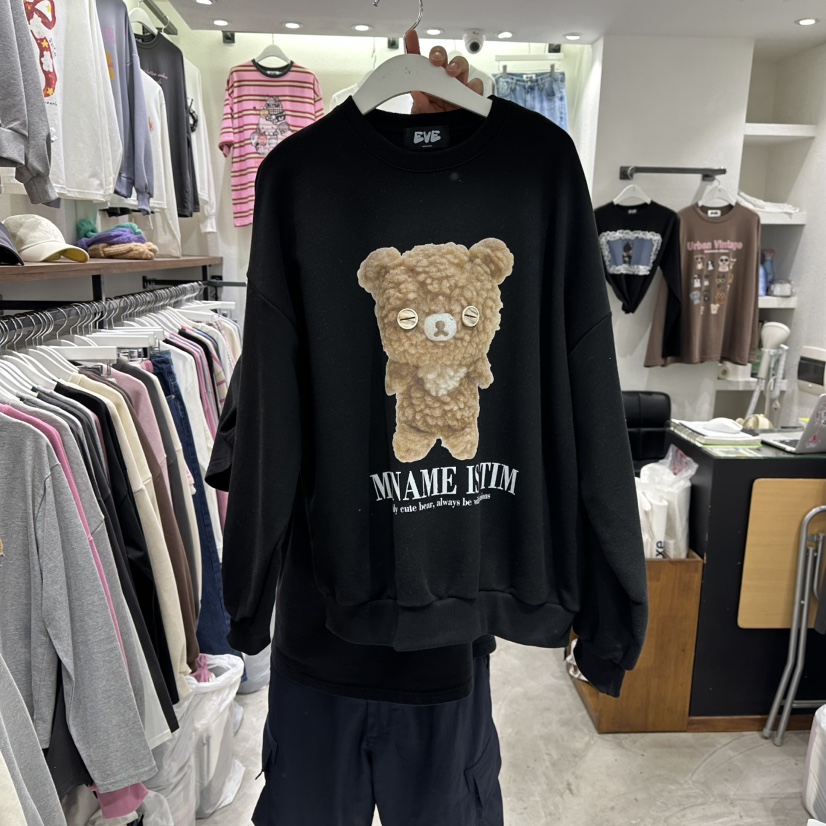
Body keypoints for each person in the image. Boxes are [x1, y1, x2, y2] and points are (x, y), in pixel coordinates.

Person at [210, 33, 504, 826]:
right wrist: (247, 601)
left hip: (435, 643)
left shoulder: (504, 210)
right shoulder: (299, 194)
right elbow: (259, 437)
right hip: (328, 639)